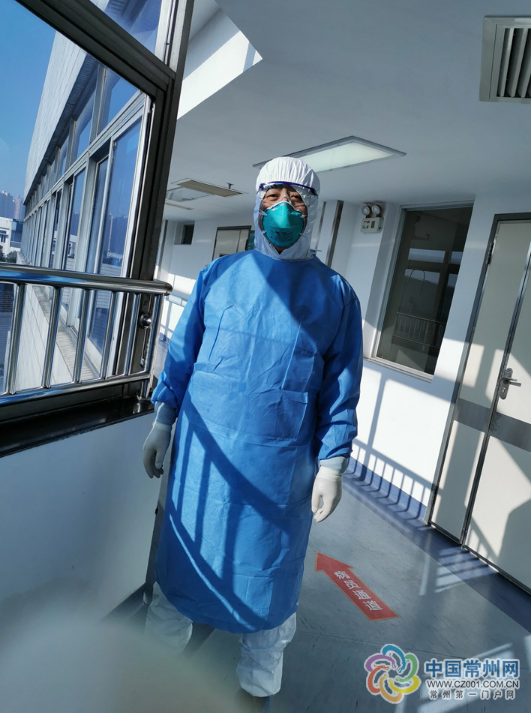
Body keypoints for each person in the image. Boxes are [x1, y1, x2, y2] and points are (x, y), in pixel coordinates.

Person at [142, 156, 363, 711]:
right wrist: (163, 421)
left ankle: (254, 694)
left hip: (278, 477)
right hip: (203, 466)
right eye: (273, 197)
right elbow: (182, 357)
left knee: (267, 590)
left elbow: (341, 387)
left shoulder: (335, 295)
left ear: (314, 210)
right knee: (181, 573)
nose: (284, 209)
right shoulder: (218, 277)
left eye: (296, 199)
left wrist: (332, 463)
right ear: (256, 203)